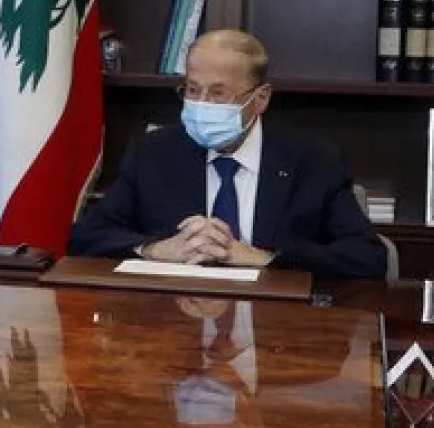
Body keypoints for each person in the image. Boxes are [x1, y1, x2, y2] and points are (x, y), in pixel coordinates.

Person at [68, 29, 387, 279]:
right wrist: (156, 250)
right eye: (193, 90)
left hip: (273, 334)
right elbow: (87, 237)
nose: (202, 103)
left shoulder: (314, 159)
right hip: (173, 328)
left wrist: (262, 257)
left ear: (261, 99)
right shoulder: (153, 153)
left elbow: (367, 257)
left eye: (218, 93)